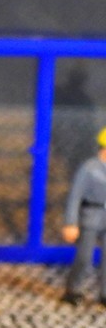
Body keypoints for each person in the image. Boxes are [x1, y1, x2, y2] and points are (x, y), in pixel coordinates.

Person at [60, 126, 106, 305]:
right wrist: (70, 222)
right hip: (91, 216)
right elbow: (75, 196)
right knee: (84, 257)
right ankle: (73, 290)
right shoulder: (89, 168)